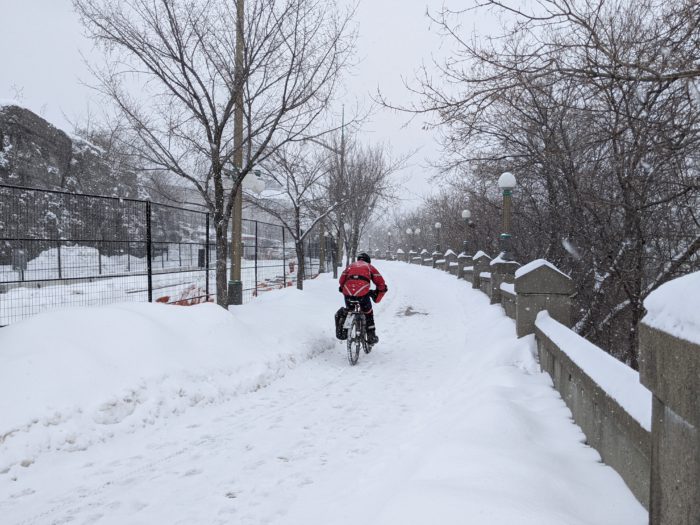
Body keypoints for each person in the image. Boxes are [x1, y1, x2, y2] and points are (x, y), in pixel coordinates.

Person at [338, 252, 387, 345]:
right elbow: (380, 282)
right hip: (362, 294)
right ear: (368, 261)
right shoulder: (369, 267)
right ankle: (371, 335)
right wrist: (382, 289)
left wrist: (342, 287)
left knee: (349, 310)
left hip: (348, 293)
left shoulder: (350, 266)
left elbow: (341, 280)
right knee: (368, 312)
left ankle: (346, 328)